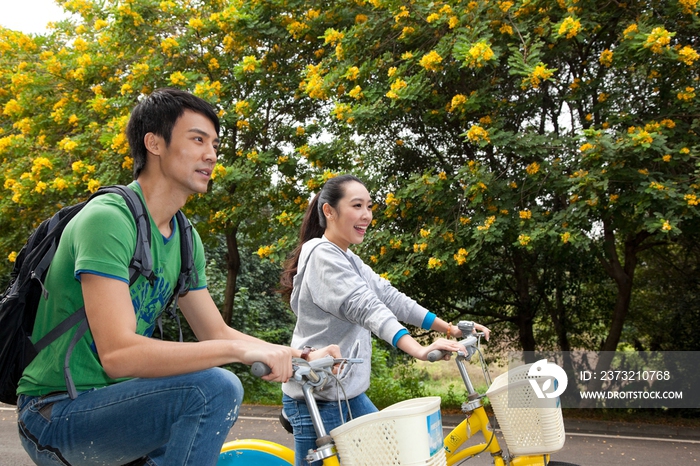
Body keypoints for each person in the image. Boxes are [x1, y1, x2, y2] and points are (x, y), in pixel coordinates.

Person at [16, 88, 339, 466]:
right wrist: (237, 353)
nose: (212, 155)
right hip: (56, 414)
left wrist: (297, 354)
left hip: (122, 405)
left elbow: (216, 333)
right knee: (212, 389)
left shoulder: (185, 239)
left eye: (215, 144)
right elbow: (118, 355)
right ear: (154, 143)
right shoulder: (108, 219)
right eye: (197, 139)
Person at [279, 174, 490, 465]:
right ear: (329, 211)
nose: (366, 215)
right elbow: (368, 308)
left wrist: (449, 328)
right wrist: (418, 349)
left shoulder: (347, 257)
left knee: (394, 459)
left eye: (369, 206)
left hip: (348, 394)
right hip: (316, 396)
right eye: (356, 206)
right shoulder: (321, 256)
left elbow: (390, 298)